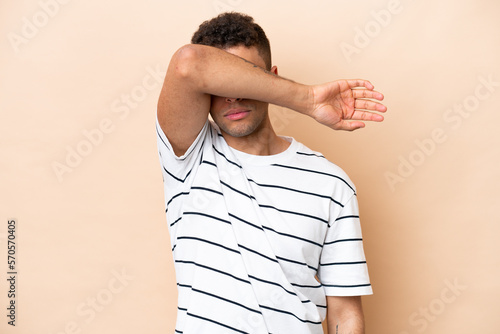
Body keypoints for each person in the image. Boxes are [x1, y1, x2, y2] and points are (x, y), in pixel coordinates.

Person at [156, 12, 386, 334]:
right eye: (221, 83)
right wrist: (306, 99)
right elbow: (188, 63)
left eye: (244, 79)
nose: (232, 95)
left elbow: (344, 313)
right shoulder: (188, 157)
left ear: (271, 78)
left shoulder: (331, 184)